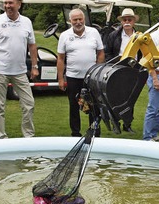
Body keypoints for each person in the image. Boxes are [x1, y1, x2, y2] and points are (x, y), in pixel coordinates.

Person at [0, 0, 38, 139]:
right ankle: (2, 137)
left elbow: (32, 45)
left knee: (29, 104)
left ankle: (28, 136)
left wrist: (35, 66)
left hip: (20, 71)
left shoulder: (27, 21)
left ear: (19, 4)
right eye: (6, 3)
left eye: (11, 3)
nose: (7, 6)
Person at [57, 8, 105, 137]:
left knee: (94, 106)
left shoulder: (94, 32)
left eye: (80, 19)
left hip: (91, 78)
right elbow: (61, 58)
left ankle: (94, 131)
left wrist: (98, 72)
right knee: (74, 106)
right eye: (75, 20)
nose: (78, 22)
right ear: (70, 21)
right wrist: (61, 78)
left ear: (84, 19)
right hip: (73, 77)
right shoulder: (64, 35)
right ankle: (75, 133)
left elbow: (100, 53)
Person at [104, 8, 140, 133]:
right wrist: (112, 65)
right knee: (116, 97)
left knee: (131, 97)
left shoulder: (139, 36)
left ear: (134, 21)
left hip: (133, 70)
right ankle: (116, 123)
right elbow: (107, 53)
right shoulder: (114, 35)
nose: (127, 22)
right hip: (117, 69)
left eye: (129, 19)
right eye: (125, 19)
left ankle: (127, 124)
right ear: (121, 21)